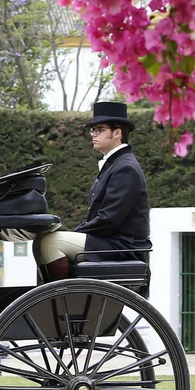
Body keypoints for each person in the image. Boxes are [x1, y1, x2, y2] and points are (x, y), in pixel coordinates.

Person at [36, 101, 150, 281]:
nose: (94, 134)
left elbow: (109, 219)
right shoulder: (115, 164)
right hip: (109, 241)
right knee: (42, 242)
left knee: (50, 242)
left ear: (117, 133)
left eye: (100, 130)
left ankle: (61, 297)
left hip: (120, 245)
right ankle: (53, 295)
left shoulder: (125, 167)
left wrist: (77, 232)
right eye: (93, 130)